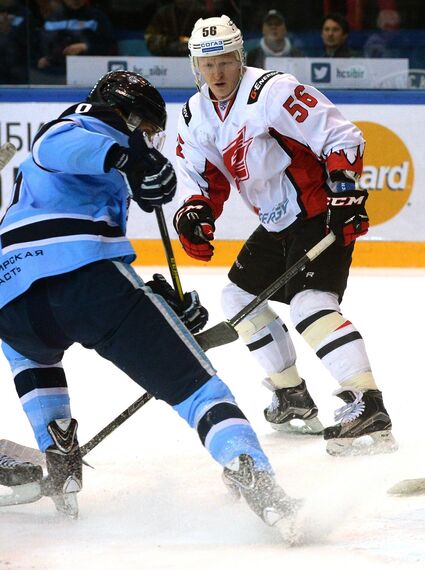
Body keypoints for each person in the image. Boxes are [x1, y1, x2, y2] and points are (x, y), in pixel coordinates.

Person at [0, 70, 298, 535]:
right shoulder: (86, 121)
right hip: (87, 283)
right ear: (130, 113)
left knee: (31, 359)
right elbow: (55, 147)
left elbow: (62, 253)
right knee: (199, 387)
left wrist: (157, 302)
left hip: (9, 296)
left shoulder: (91, 173)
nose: (152, 140)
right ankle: (251, 470)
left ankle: (58, 453)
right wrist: (127, 154)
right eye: (149, 130)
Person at [173, 16, 396, 456]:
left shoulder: (273, 91)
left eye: (224, 62)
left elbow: (339, 135)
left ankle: (366, 404)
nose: (216, 74)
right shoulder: (195, 114)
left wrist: (346, 190)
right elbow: (203, 177)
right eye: (206, 64)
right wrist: (195, 212)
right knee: (238, 299)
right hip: (276, 224)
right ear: (195, 66)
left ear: (240, 58)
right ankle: (291, 396)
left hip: (317, 213)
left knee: (310, 304)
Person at [37, 0, 116, 74]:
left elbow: (108, 45)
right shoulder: (52, 19)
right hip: (52, 74)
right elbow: (38, 45)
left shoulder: (97, 18)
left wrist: (86, 47)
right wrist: (41, 59)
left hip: (87, 71)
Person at [145, 0, 210, 57]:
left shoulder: (202, 13)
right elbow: (150, 39)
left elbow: (210, 41)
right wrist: (170, 41)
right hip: (165, 59)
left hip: (196, 58)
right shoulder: (164, 13)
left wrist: (192, 44)